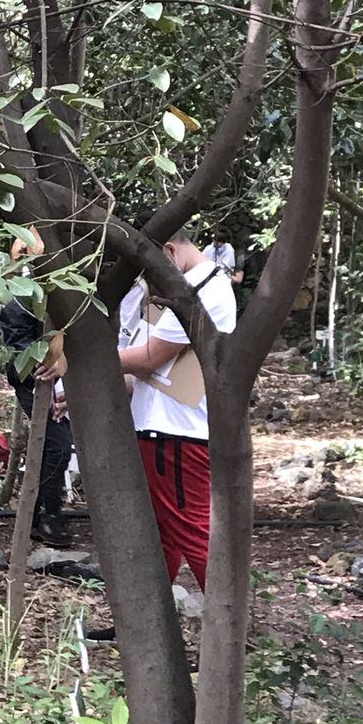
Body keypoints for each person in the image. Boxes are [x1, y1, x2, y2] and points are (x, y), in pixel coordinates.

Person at [116, 229, 238, 595]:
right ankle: (150, 620)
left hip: (177, 434)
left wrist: (79, 360)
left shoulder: (201, 289)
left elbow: (150, 357)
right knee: (161, 535)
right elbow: (143, 372)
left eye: (149, 269)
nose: (147, 281)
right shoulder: (187, 287)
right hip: (160, 429)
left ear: (169, 251)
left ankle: (227, 632)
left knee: (194, 531)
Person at [0, 233, 73, 549]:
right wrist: (43, 378)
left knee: (56, 445)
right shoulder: (18, 298)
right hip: (37, 382)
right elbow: (19, 357)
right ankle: (45, 514)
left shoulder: (55, 292)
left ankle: (47, 512)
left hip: (57, 381)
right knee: (56, 444)